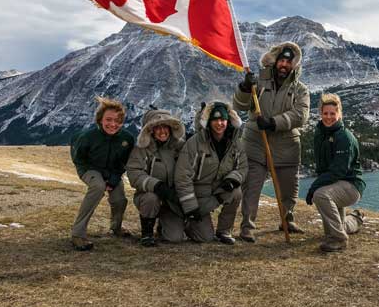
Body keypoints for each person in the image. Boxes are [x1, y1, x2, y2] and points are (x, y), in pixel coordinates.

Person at [232, 42, 310, 242]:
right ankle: (247, 226)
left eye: (288, 62)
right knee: (252, 186)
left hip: (286, 146)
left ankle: (287, 219)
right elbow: (239, 105)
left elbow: (301, 115)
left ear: (294, 65)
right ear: (275, 62)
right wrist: (244, 88)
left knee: (289, 188)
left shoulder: (300, 89)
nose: (284, 64)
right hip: (255, 142)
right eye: (281, 60)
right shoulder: (258, 83)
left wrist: (274, 122)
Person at [174, 101, 247, 244]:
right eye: (215, 120)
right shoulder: (195, 142)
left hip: (217, 190)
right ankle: (185, 220)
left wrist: (232, 179)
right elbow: (182, 176)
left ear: (229, 121)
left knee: (236, 192)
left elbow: (242, 167)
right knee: (205, 238)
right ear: (208, 121)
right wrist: (190, 206)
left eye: (223, 120)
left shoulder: (235, 143)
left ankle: (224, 231)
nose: (219, 123)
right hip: (197, 195)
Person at [70, 97, 135, 251]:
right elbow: (79, 158)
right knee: (98, 187)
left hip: (113, 172)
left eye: (118, 120)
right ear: (100, 120)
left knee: (119, 199)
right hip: (89, 169)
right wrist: (89, 173)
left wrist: (114, 178)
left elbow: (125, 161)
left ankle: (116, 227)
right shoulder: (87, 136)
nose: (113, 124)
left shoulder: (127, 138)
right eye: (109, 119)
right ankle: (78, 234)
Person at [305, 94, 366, 252]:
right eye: (325, 113)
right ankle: (356, 218)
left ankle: (339, 240)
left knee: (320, 195)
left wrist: (314, 188)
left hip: (351, 185)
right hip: (334, 184)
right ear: (321, 113)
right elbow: (322, 167)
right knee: (333, 228)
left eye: (333, 113)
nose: (329, 117)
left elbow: (338, 171)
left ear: (339, 114)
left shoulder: (344, 136)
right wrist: (319, 183)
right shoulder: (320, 133)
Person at [125, 109, 186, 246]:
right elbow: (134, 173)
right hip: (149, 196)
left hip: (172, 198)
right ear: (150, 130)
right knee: (151, 198)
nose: (162, 131)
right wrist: (157, 186)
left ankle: (164, 226)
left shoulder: (179, 146)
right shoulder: (141, 149)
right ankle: (147, 233)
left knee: (175, 238)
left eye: (165, 127)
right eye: (157, 127)